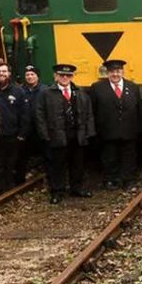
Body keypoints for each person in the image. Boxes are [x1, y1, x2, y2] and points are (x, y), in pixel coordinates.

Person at [36, 63, 95, 203]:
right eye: (61, 75)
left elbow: (88, 113)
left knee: (78, 163)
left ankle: (77, 188)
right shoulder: (46, 93)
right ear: (56, 76)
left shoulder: (80, 91)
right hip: (56, 135)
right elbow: (39, 115)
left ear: (72, 76)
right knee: (57, 165)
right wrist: (44, 134)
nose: (64, 78)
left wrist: (89, 132)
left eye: (68, 75)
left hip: (77, 134)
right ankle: (57, 191)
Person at [90, 58, 142, 189]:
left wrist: (140, 128)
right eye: (112, 71)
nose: (115, 74)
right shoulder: (97, 88)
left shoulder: (132, 87)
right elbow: (93, 109)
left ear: (123, 72)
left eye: (118, 71)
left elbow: (139, 109)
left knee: (129, 156)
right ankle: (111, 179)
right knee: (109, 156)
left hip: (129, 129)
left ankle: (128, 180)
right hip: (107, 129)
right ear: (108, 73)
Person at [0, 60, 31, 192]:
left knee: (11, 163)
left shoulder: (18, 91)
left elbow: (25, 114)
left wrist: (22, 134)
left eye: (4, 71)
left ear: (9, 73)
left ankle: (10, 188)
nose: (1, 74)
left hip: (12, 134)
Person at [19, 64, 45, 179]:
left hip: (40, 125)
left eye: (32, 74)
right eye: (27, 75)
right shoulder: (20, 91)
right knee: (27, 150)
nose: (30, 77)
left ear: (37, 76)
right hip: (26, 127)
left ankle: (41, 169)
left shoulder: (45, 90)